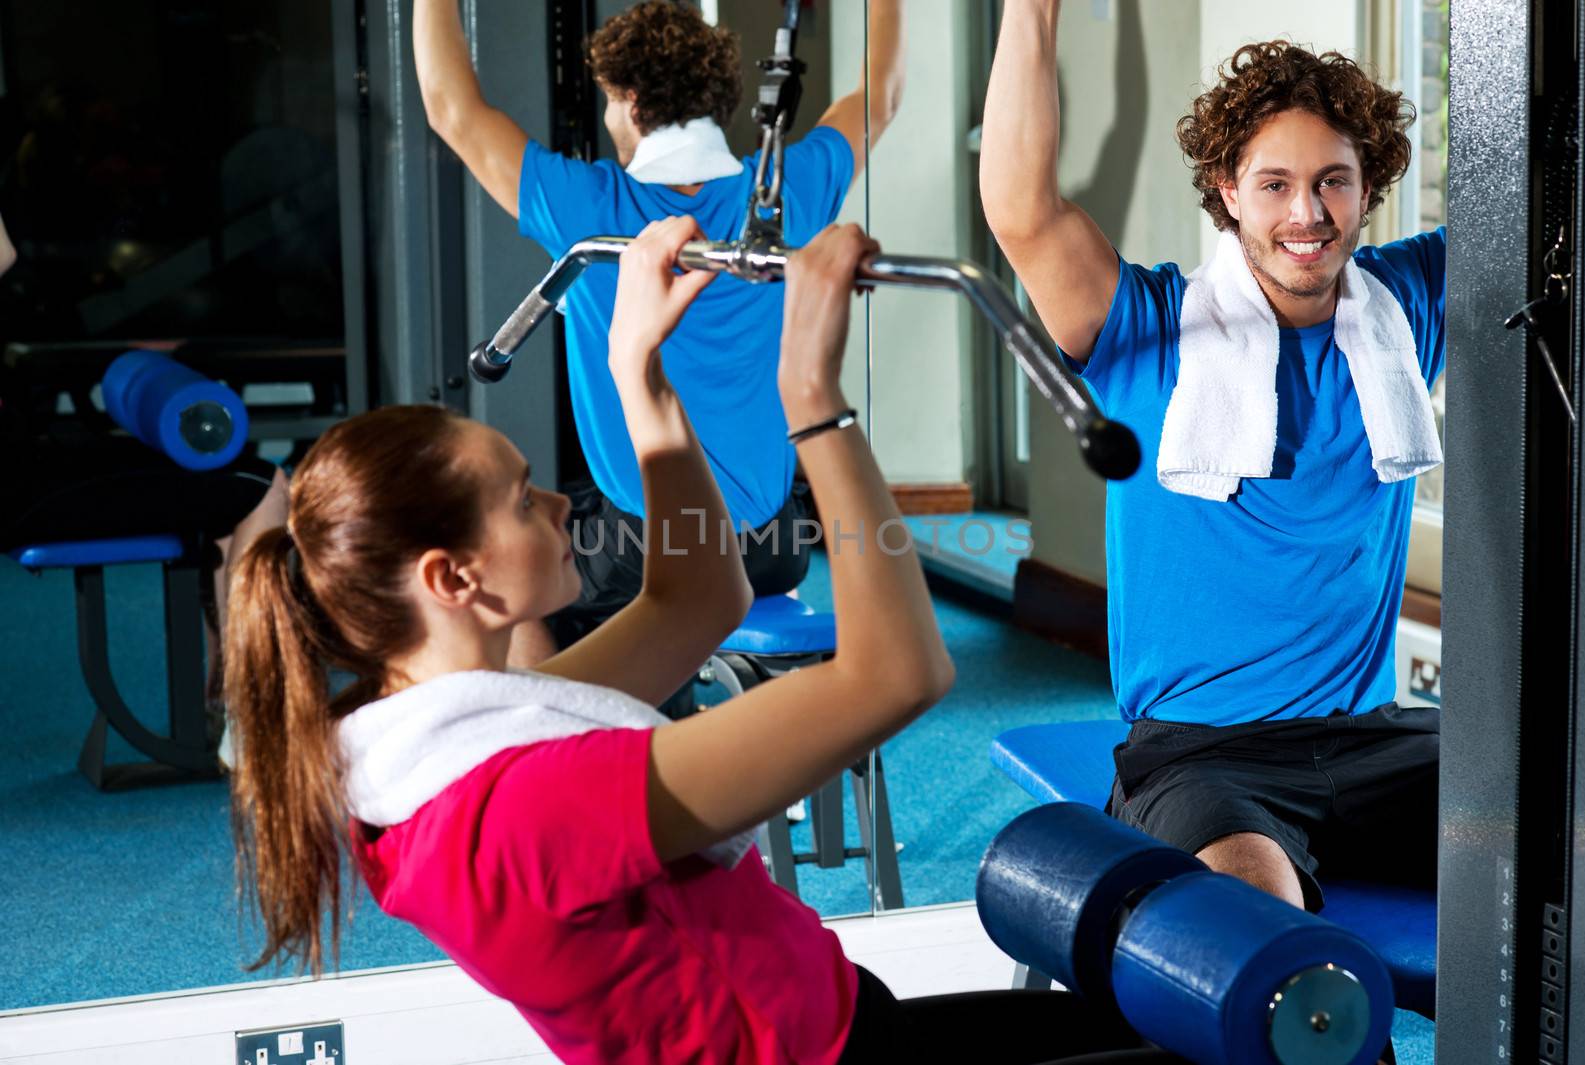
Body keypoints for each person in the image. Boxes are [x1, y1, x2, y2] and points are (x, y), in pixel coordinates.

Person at [224, 218, 1182, 1065]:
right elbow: (899, 672)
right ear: (452, 577)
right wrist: (813, 398)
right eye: (523, 498)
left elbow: (697, 599)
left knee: (1167, 1023)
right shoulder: (518, 810)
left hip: (843, 1021)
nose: (559, 504)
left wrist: (638, 375)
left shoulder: (443, 744)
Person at [982, 14, 1444, 914]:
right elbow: (1020, 208)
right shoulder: (1151, 330)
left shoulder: (1407, 306)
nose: (1307, 214)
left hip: (1377, 740)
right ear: (1228, 189)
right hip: (1203, 754)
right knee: (1253, 921)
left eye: (1332, 182)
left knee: (1567, 831)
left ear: (1367, 186)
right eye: (1275, 184)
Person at [413, 0, 905, 668]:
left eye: (611, 103)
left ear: (633, 100)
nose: (609, 117)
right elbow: (880, 96)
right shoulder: (790, 191)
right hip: (777, 543)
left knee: (507, 581)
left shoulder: (587, 206)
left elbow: (450, 108)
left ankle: (538, 737)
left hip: (644, 548)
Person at [0, 210, 289, 742]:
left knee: (231, 487)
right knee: (261, 486)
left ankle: (231, 699)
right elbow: (3, 252)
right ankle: (254, 726)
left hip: (27, 464)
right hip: (18, 487)